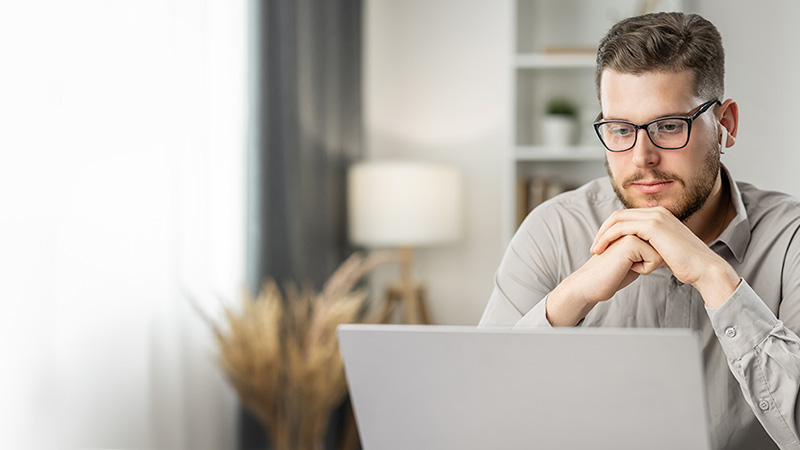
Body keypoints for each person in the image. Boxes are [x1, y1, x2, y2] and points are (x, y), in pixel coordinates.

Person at [479, 11, 800, 450]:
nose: (641, 157)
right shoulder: (553, 230)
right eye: (619, 129)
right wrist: (572, 297)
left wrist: (714, 276)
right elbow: (483, 416)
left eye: (669, 126)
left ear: (725, 125)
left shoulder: (791, 240)